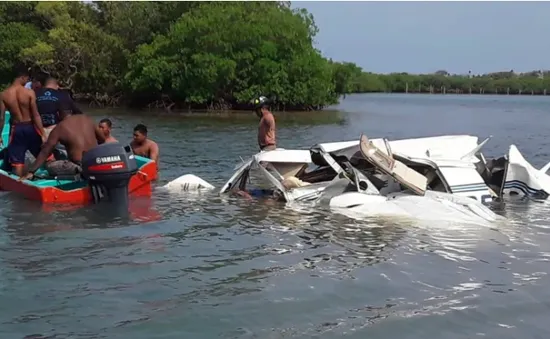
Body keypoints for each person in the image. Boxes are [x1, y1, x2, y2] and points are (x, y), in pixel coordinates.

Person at [18, 103, 106, 181]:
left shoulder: (60, 127)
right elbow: (102, 140)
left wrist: (31, 171)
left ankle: (76, 172)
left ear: (58, 114)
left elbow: (45, 151)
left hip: (79, 166)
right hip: (95, 162)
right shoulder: (88, 119)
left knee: (49, 166)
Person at [0, 69, 46, 176]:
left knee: (17, 162)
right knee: (44, 155)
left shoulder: (3, 94)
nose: (27, 81)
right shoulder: (29, 93)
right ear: (22, 77)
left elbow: (1, 118)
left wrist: (0, 135)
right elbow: (35, 115)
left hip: (16, 129)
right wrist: (43, 133)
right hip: (30, 128)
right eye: (27, 79)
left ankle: (19, 184)